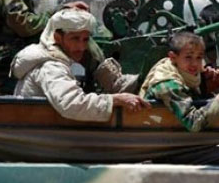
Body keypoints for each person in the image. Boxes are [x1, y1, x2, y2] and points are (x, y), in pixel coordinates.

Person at [12, 9, 149, 120]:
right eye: (75, 39)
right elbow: (72, 104)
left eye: (85, 40)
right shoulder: (51, 66)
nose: (81, 47)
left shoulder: (61, 59)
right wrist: (115, 100)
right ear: (58, 38)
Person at [138, 31, 219, 165]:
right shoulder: (168, 84)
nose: (194, 64)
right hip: (166, 150)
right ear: (173, 57)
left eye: (199, 57)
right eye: (188, 57)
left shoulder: (183, 73)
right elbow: (193, 122)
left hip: (182, 143)